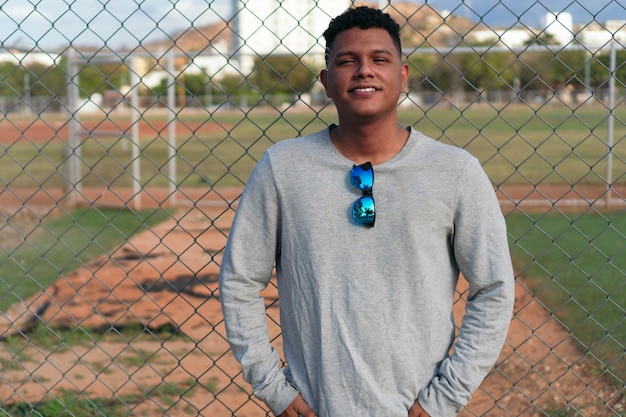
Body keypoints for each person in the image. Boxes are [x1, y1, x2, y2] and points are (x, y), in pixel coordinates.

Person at [219, 6, 515, 417]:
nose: (364, 71)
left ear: (403, 75)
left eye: (380, 59)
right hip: (316, 405)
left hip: (418, 407)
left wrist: (444, 399)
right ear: (326, 81)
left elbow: (494, 287)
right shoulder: (282, 168)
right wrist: (274, 389)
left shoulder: (455, 172)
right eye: (346, 61)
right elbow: (239, 280)